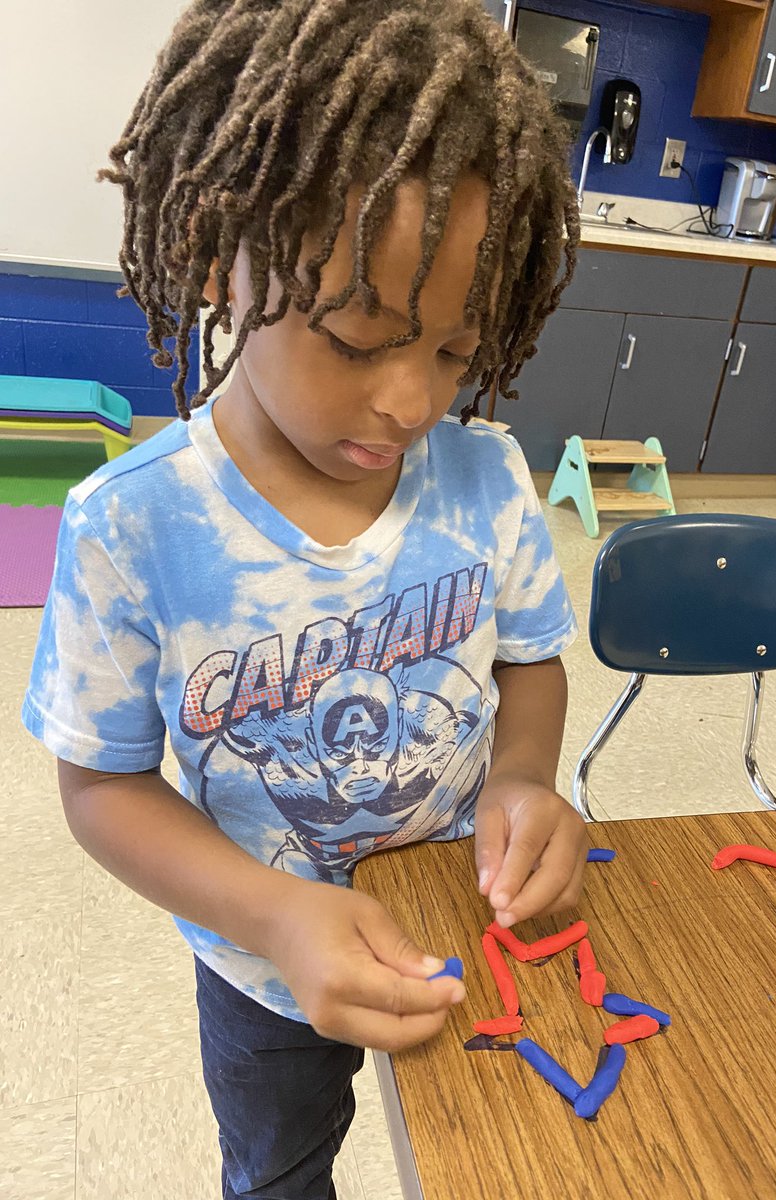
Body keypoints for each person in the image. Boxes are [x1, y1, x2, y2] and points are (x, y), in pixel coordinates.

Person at [21, 1, 588, 1196]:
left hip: (459, 916)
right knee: (280, 1172)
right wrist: (277, 916)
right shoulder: (131, 524)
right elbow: (101, 787)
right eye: (358, 335)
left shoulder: (485, 482)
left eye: (451, 350)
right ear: (222, 257)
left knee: (496, 1155)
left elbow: (530, 661)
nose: (408, 402)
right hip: (260, 968)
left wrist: (528, 779)